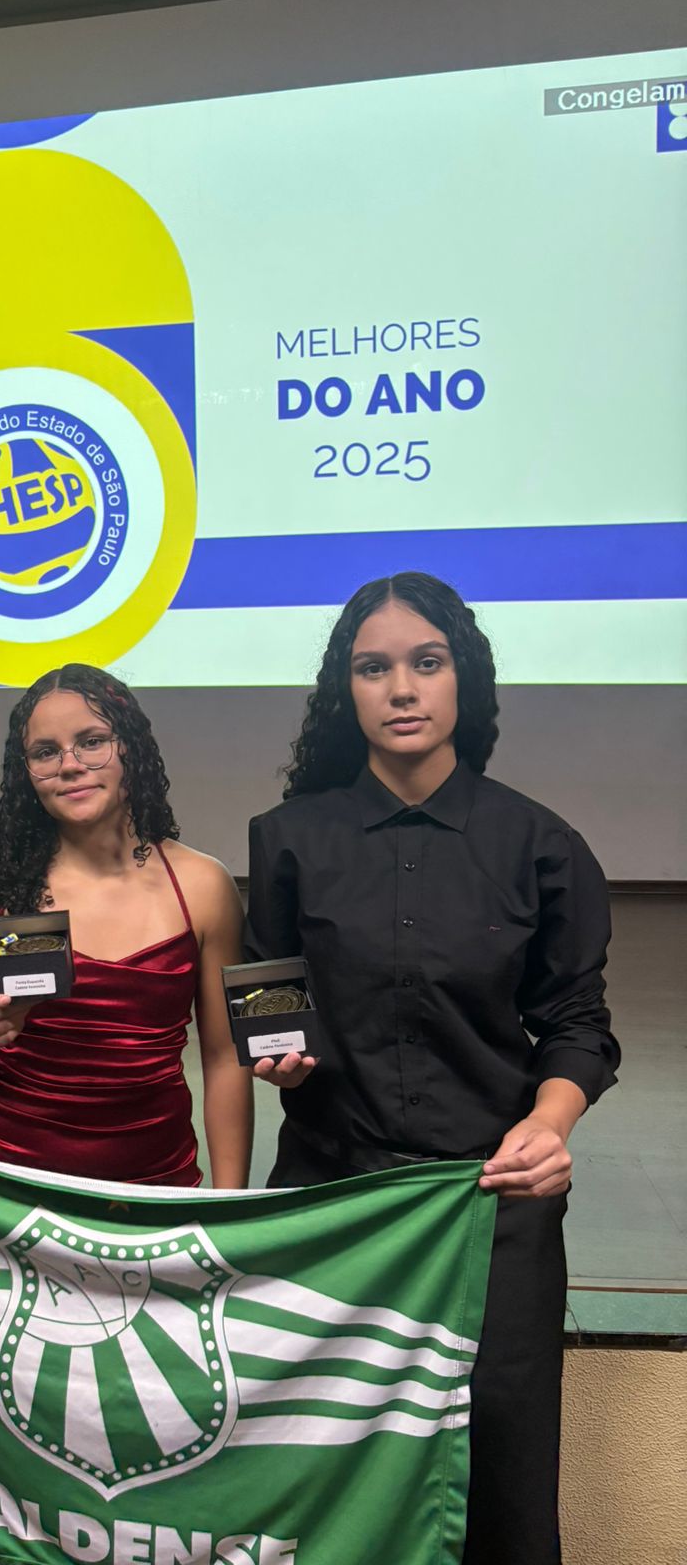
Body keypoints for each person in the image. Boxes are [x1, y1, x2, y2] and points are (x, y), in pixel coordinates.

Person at [245, 571, 619, 1565]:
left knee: (499, 1468)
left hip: (489, 1203)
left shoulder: (542, 845)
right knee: (324, 1471)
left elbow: (578, 1024)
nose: (402, 688)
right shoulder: (287, 842)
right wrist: (277, 1061)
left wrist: (552, 1122)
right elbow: (272, 1001)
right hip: (333, 1202)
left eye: (426, 662)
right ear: (346, 691)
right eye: (374, 668)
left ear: (465, 681)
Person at [0, 663, 251, 1188]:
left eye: (92, 741)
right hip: (11, 1182)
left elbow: (223, 1059)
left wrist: (229, 1208)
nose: (70, 765)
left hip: (158, 1182)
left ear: (132, 749)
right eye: (45, 752)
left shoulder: (203, 885)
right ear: (25, 773)